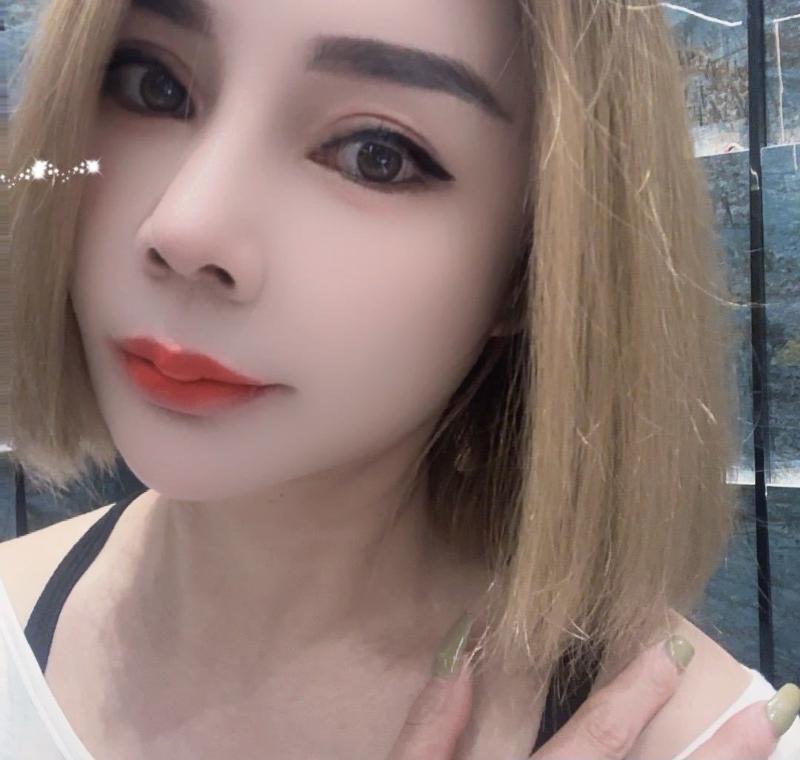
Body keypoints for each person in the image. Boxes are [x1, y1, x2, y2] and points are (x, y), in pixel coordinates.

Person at [2, 0, 799, 758]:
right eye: (153, 86)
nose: (185, 227)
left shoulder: (702, 741)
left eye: (375, 156)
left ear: (532, 265)